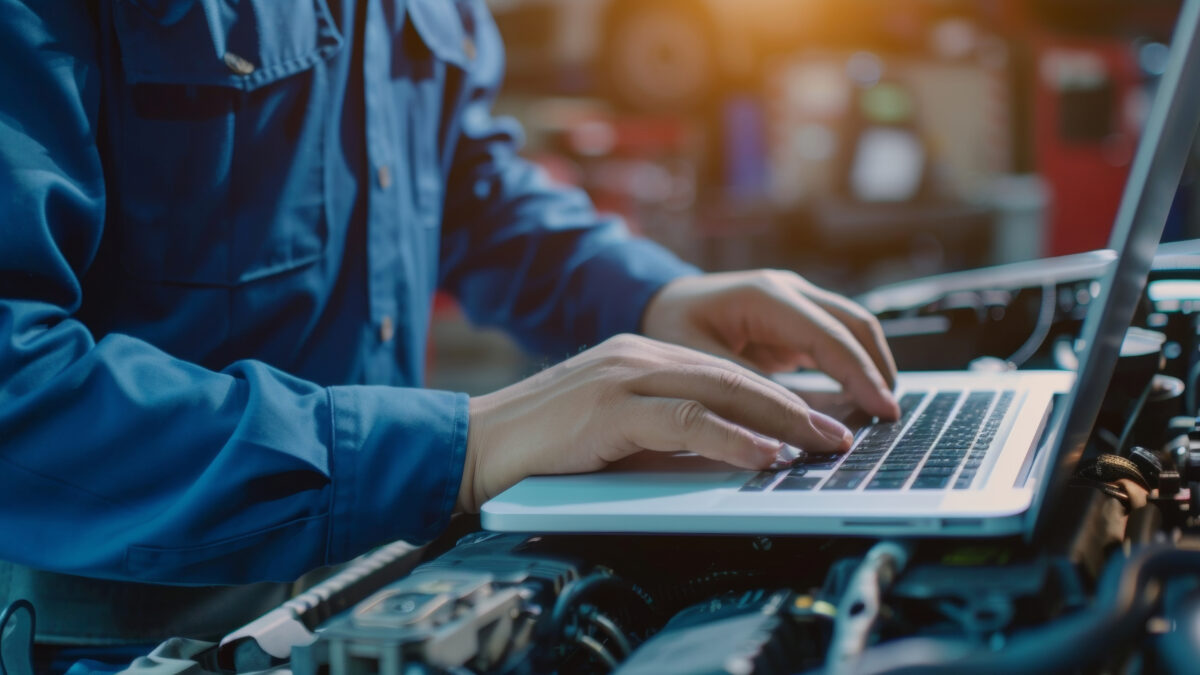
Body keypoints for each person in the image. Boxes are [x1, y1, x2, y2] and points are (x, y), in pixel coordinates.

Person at [0, 0, 898, 656]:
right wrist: (457, 448)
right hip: (138, 618)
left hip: (379, 569)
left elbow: (462, 182)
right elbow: (15, 382)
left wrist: (655, 298)